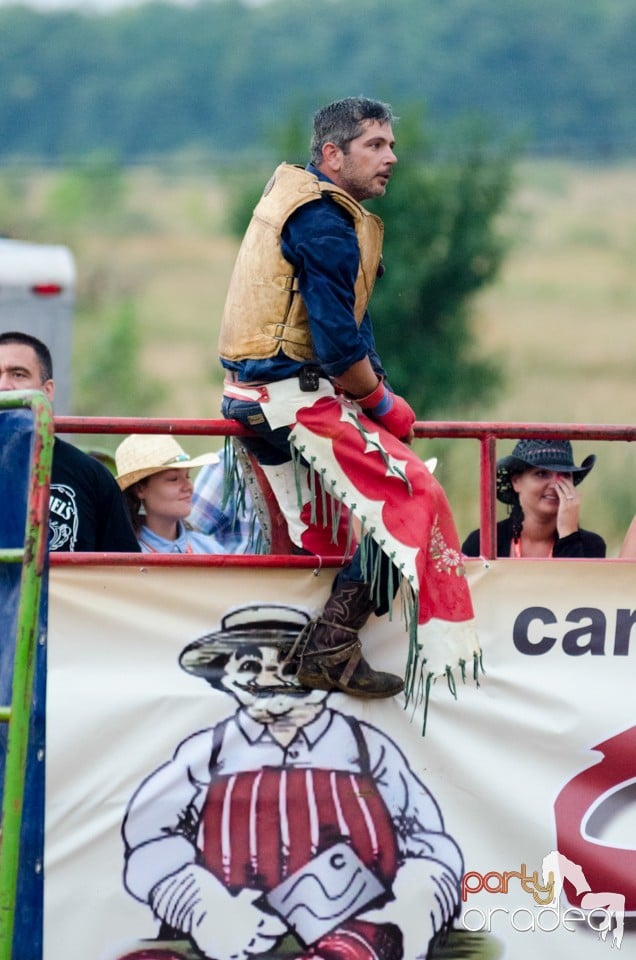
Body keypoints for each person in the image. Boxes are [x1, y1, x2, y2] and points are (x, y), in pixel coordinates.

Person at [217, 96, 479, 704]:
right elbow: (338, 346)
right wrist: (383, 402)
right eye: (376, 146)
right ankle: (330, 643)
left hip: (253, 396)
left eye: (390, 145)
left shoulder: (304, 200)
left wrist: (372, 391)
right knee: (415, 499)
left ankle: (317, 642)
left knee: (328, 539)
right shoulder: (326, 221)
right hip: (292, 399)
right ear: (333, 155)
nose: (392, 157)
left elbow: (345, 326)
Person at [120, 604, 463, 960]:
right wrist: (199, 904)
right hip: (231, 942)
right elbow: (149, 834)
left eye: (289, 662)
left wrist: (412, 911)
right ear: (223, 676)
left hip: (359, 938)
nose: (272, 679)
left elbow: (428, 840)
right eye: (251, 665)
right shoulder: (205, 753)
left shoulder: (367, 749)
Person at [0, 330, 140, 553]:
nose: (4, 386)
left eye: (18, 374)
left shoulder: (91, 476)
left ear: (47, 390)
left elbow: (122, 571)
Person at [462, 438, 606, 558]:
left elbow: (575, 589)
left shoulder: (591, 545)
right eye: (541, 474)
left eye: (564, 475)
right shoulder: (481, 543)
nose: (555, 484)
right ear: (516, 482)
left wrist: (568, 536)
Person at [115, 434, 226, 555]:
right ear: (140, 489)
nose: (188, 486)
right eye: (173, 479)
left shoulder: (212, 551)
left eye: (187, 476)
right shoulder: (123, 555)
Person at [188, 442, 262, 553]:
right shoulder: (231, 460)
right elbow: (189, 529)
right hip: (240, 568)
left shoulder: (231, 459)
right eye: (173, 479)